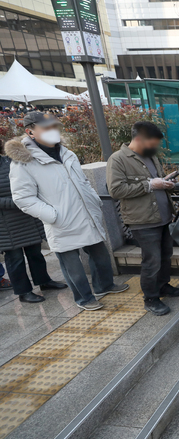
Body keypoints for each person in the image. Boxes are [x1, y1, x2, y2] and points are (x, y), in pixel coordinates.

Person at [7, 111, 128, 310]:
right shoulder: (23, 162)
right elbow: (23, 198)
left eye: (54, 126)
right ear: (30, 132)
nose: (52, 131)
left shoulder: (66, 152)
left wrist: (93, 199)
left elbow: (82, 181)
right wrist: (53, 215)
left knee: (100, 254)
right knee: (72, 265)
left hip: (86, 213)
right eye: (46, 128)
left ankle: (104, 285)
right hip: (60, 220)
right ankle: (84, 298)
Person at [107, 122, 179, 316]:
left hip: (163, 216)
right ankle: (150, 298)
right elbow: (115, 190)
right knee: (152, 261)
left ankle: (163, 286)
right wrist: (150, 185)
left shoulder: (150, 156)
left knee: (166, 256)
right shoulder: (118, 159)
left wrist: (165, 182)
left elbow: (156, 182)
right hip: (142, 220)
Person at [1, 140, 67, 302]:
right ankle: (23, 292)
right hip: (6, 224)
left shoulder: (9, 161)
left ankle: (44, 281)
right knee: (15, 259)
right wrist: (18, 201)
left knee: (35, 253)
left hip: (27, 217)